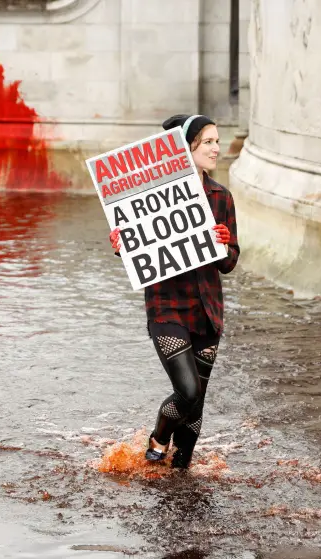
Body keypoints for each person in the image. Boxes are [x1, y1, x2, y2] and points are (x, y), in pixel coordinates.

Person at [109, 113, 240, 470]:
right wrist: (123, 245)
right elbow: (138, 248)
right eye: (208, 142)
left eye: (217, 141)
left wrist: (224, 246)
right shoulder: (151, 196)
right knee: (188, 391)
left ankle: (181, 471)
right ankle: (159, 436)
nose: (217, 148)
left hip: (208, 311)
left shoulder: (221, 196)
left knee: (195, 409)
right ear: (188, 147)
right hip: (167, 307)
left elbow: (230, 263)